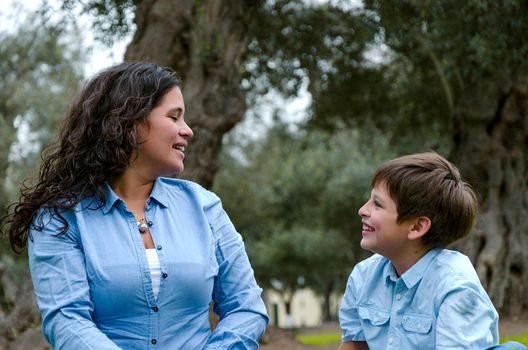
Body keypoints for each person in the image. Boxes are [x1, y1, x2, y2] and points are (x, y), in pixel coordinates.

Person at [2, 62, 268, 349]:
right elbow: (67, 321)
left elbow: (247, 308)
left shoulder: (204, 207)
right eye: (174, 117)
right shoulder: (62, 218)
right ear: (130, 122)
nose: (188, 130)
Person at [338, 152, 499, 350]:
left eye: (377, 204)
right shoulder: (363, 277)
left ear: (416, 227)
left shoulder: (455, 287)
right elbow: (353, 346)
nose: (362, 210)